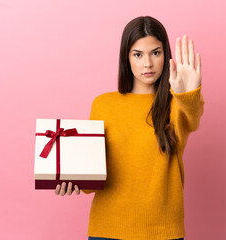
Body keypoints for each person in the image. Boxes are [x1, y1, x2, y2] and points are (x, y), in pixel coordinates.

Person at [55, 16, 204, 240]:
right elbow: (94, 171)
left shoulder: (176, 104)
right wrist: (74, 182)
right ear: (126, 57)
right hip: (107, 229)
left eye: (156, 52)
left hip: (162, 232)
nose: (148, 64)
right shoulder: (103, 104)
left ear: (166, 55)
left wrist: (188, 93)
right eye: (138, 54)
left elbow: (192, 119)